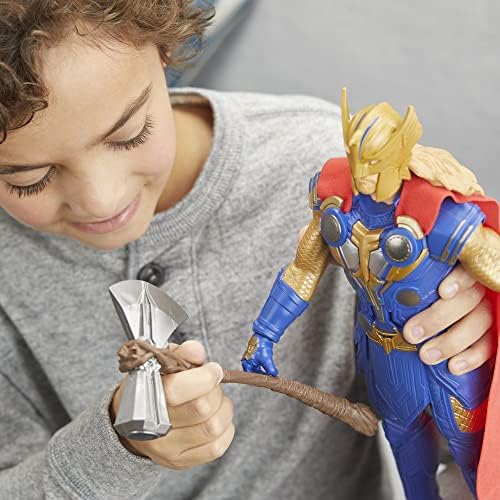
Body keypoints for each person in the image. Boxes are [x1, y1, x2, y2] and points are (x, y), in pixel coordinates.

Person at [0, 1, 494, 499]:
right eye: (28, 178)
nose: (102, 199)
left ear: (165, 49)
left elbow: (459, 455)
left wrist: (480, 352)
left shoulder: (319, 174)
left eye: (131, 134)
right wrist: (115, 449)